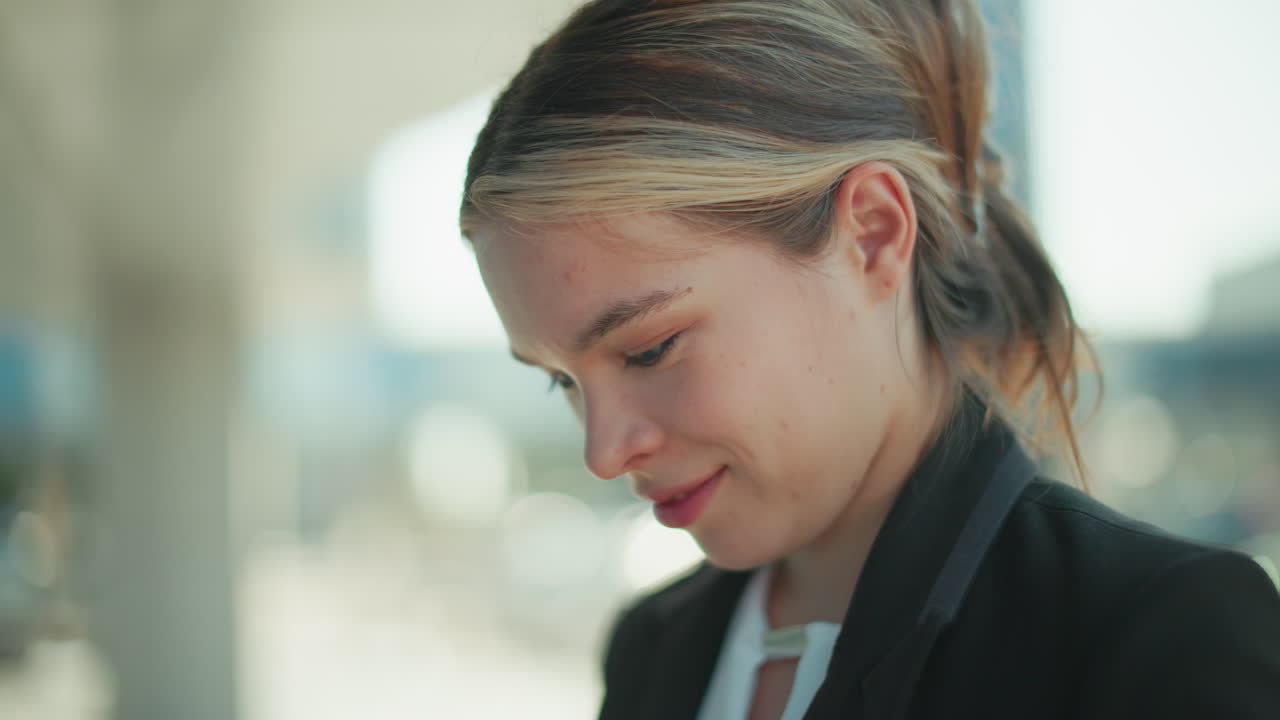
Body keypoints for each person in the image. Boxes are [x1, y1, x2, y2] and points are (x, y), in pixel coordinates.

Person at [459, 1, 1280, 718]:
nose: (604, 453)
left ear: (874, 235)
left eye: (649, 349)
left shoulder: (1158, 637)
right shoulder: (652, 647)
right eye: (563, 380)